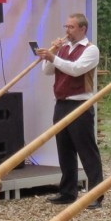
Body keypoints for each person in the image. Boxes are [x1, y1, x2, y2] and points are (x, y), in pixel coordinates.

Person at [37, 13, 104, 209]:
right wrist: (52, 54)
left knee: (87, 150)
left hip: (80, 104)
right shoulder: (64, 48)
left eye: (71, 27)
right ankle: (67, 191)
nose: (67, 31)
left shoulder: (91, 50)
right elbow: (47, 71)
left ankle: (96, 194)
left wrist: (53, 57)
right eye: (66, 27)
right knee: (64, 149)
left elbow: (76, 69)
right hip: (61, 104)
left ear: (83, 29)